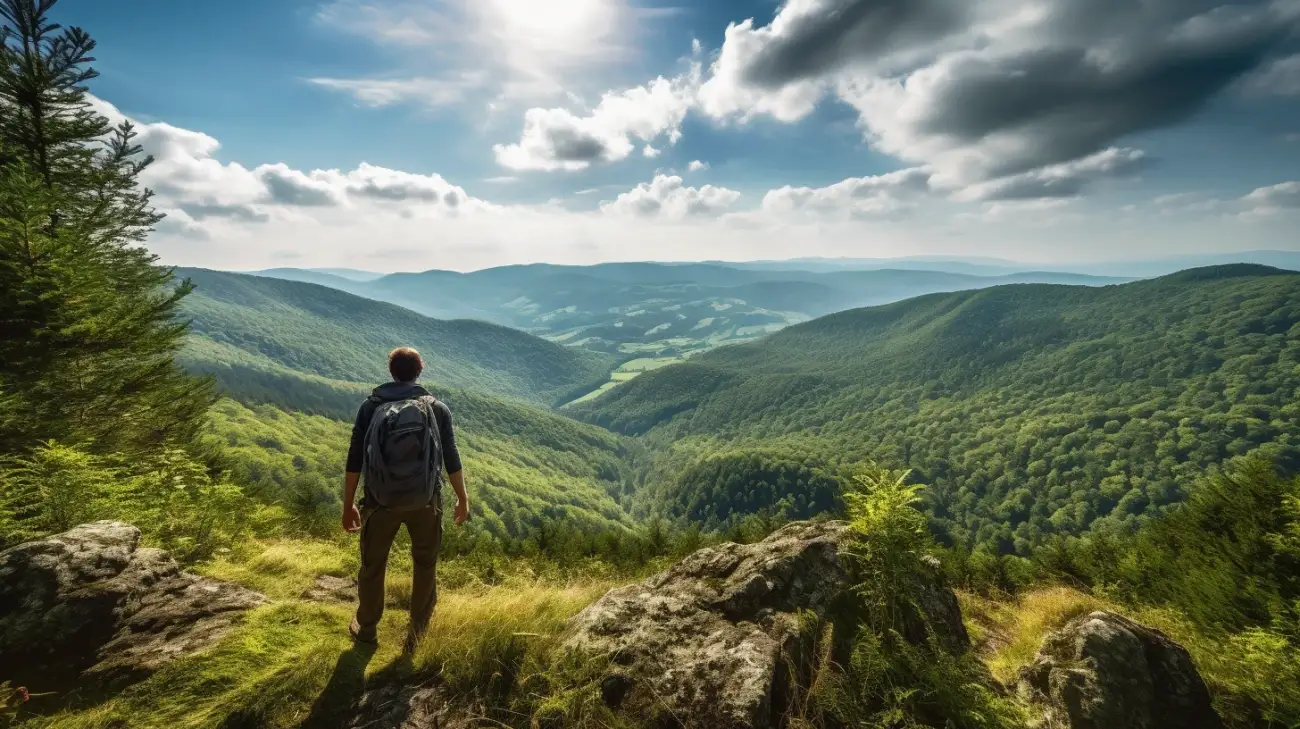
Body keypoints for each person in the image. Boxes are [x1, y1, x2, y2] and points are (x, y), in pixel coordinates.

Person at [342, 346, 470, 652]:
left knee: (373, 565)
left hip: (380, 502)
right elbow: (451, 457)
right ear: (419, 371)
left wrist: (348, 505)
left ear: (391, 372)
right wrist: (462, 498)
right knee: (425, 563)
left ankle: (368, 629)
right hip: (425, 502)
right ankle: (417, 632)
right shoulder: (437, 408)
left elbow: (355, 457)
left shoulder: (370, 407)